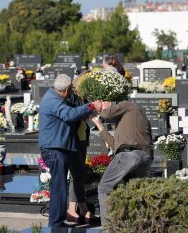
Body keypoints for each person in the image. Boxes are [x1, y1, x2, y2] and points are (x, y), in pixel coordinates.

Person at [39, 74, 98, 227]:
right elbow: (69, 114)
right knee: (59, 187)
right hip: (54, 149)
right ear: (65, 90)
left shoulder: (55, 97)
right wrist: (91, 106)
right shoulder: (53, 100)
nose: (71, 92)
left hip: (62, 147)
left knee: (71, 178)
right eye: (70, 90)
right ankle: (56, 222)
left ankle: (59, 220)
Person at [91, 100, 153, 226]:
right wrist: (98, 124)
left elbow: (108, 114)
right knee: (136, 193)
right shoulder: (128, 122)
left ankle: (108, 228)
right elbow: (115, 145)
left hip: (130, 155)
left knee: (104, 187)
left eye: (104, 102)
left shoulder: (129, 105)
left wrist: (102, 107)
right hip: (143, 156)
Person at [66, 76, 99, 224]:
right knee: (76, 175)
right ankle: (75, 210)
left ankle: (78, 210)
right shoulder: (72, 98)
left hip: (82, 137)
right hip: (75, 139)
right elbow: (73, 115)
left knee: (79, 174)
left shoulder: (82, 98)